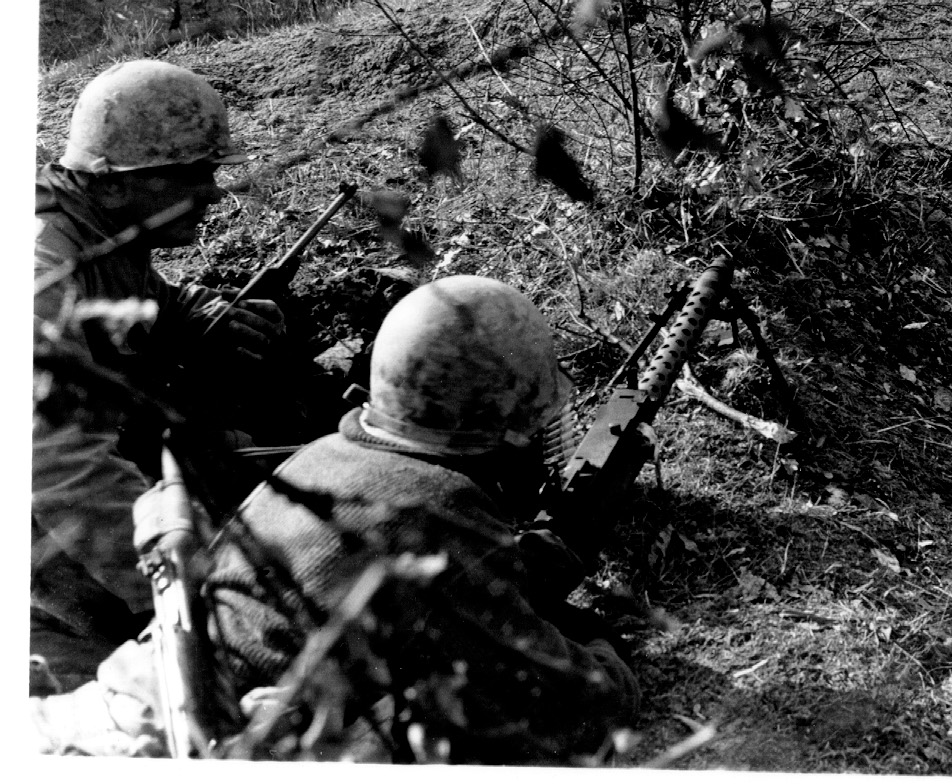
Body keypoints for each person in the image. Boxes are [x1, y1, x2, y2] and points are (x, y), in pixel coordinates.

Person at [31, 275, 638, 762]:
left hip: (108, 708)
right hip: (185, 751)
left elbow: (399, 590)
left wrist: (539, 562)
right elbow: (581, 708)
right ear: (497, 420)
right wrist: (606, 646)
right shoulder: (441, 504)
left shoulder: (322, 456)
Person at [32, 59, 287, 690]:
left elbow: (144, 300)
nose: (213, 191)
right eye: (192, 175)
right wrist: (179, 585)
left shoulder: (101, 229)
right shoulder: (43, 271)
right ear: (116, 185)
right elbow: (55, 466)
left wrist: (207, 314)